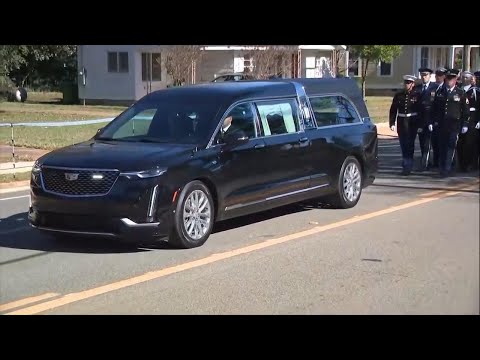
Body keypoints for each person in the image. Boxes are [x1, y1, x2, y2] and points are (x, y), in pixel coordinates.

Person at [430, 69, 470, 177]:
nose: (449, 81)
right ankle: (442, 167)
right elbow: (434, 109)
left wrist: (465, 124)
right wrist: (432, 122)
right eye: (447, 78)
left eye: (451, 78)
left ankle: (446, 169)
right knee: (441, 147)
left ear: (456, 80)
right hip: (441, 124)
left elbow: (465, 110)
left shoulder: (460, 93)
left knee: (450, 147)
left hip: (454, 125)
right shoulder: (439, 92)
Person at [389, 75, 422, 175]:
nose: (406, 85)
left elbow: (421, 110)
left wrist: (420, 124)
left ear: (413, 84)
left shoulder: (417, 95)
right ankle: (405, 162)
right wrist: (392, 123)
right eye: (405, 83)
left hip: (412, 121)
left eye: (409, 83)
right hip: (401, 121)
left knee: (410, 144)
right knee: (403, 144)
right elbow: (393, 110)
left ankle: (408, 165)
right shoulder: (399, 95)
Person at [414, 67, 439, 170]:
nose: (424, 77)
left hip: (432, 121)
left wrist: (434, 121)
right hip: (421, 121)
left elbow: (438, 106)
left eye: (426, 75)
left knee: (434, 143)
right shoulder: (418, 88)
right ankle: (425, 163)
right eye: (422, 75)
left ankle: (435, 163)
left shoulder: (435, 87)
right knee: (423, 143)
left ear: (430, 76)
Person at [456, 71, 479, 171]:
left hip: (471, 119)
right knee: (459, 143)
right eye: (463, 77)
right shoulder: (458, 90)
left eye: (467, 77)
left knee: (470, 143)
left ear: (471, 79)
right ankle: (461, 164)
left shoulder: (474, 91)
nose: (464, 79)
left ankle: (470, 164)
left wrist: (478, 120)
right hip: (460, 118)